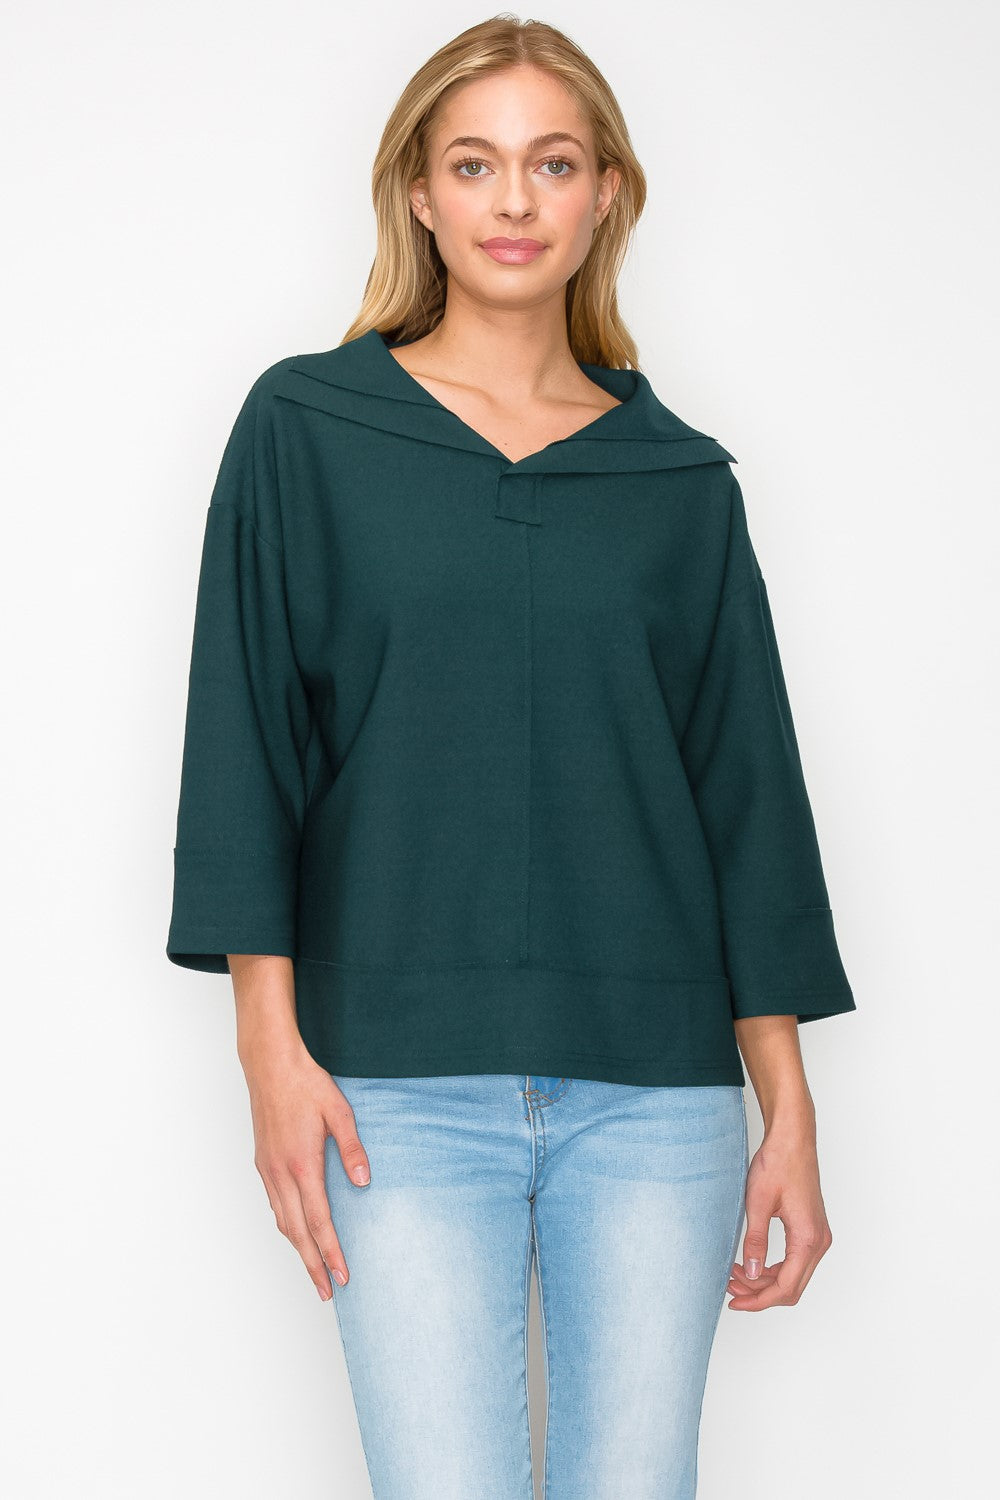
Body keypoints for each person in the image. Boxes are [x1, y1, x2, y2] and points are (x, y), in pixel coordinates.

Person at [166, 15, 856, 1499]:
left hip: (658, 1096)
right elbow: (245, 746)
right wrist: (267, 1050)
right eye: (474, 164)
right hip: (394, 1088)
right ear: (418, 194)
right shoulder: (306, 428)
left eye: (553, 162)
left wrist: (788, 1109)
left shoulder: (679, 480)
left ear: (608, 192)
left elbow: (746, 795)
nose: (515, 200)